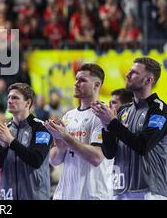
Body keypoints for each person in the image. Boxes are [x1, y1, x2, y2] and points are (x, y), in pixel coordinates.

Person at [92, 57, 167, 200]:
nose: (127, 75)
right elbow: (109, 153)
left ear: (149, 80)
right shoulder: (123, 111)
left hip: (150, 192)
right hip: (121, 191)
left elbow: (143, 145)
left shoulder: (159, 110)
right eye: (129, 71)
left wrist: (112, 123)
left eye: (135, 73)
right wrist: (106, 126)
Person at [44, 64, 114, 200]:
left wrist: (65, 137)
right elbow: (54, 160)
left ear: (96, 85)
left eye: (82, 80)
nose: (76, 83)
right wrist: (60, 145)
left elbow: (96, 158)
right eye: (76, 79)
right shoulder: (68, 116)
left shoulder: (103, 115)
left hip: (92, 194)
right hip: (65, 193)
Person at [0, 83, 52, 200]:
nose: (10, 101)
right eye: (9, 97)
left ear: (28, 103)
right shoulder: (3, 130)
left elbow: (36, 160)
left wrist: (11, 141)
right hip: (7, 196)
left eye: (15, 98)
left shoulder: (41, 128)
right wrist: (3, 148)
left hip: (35, 196)